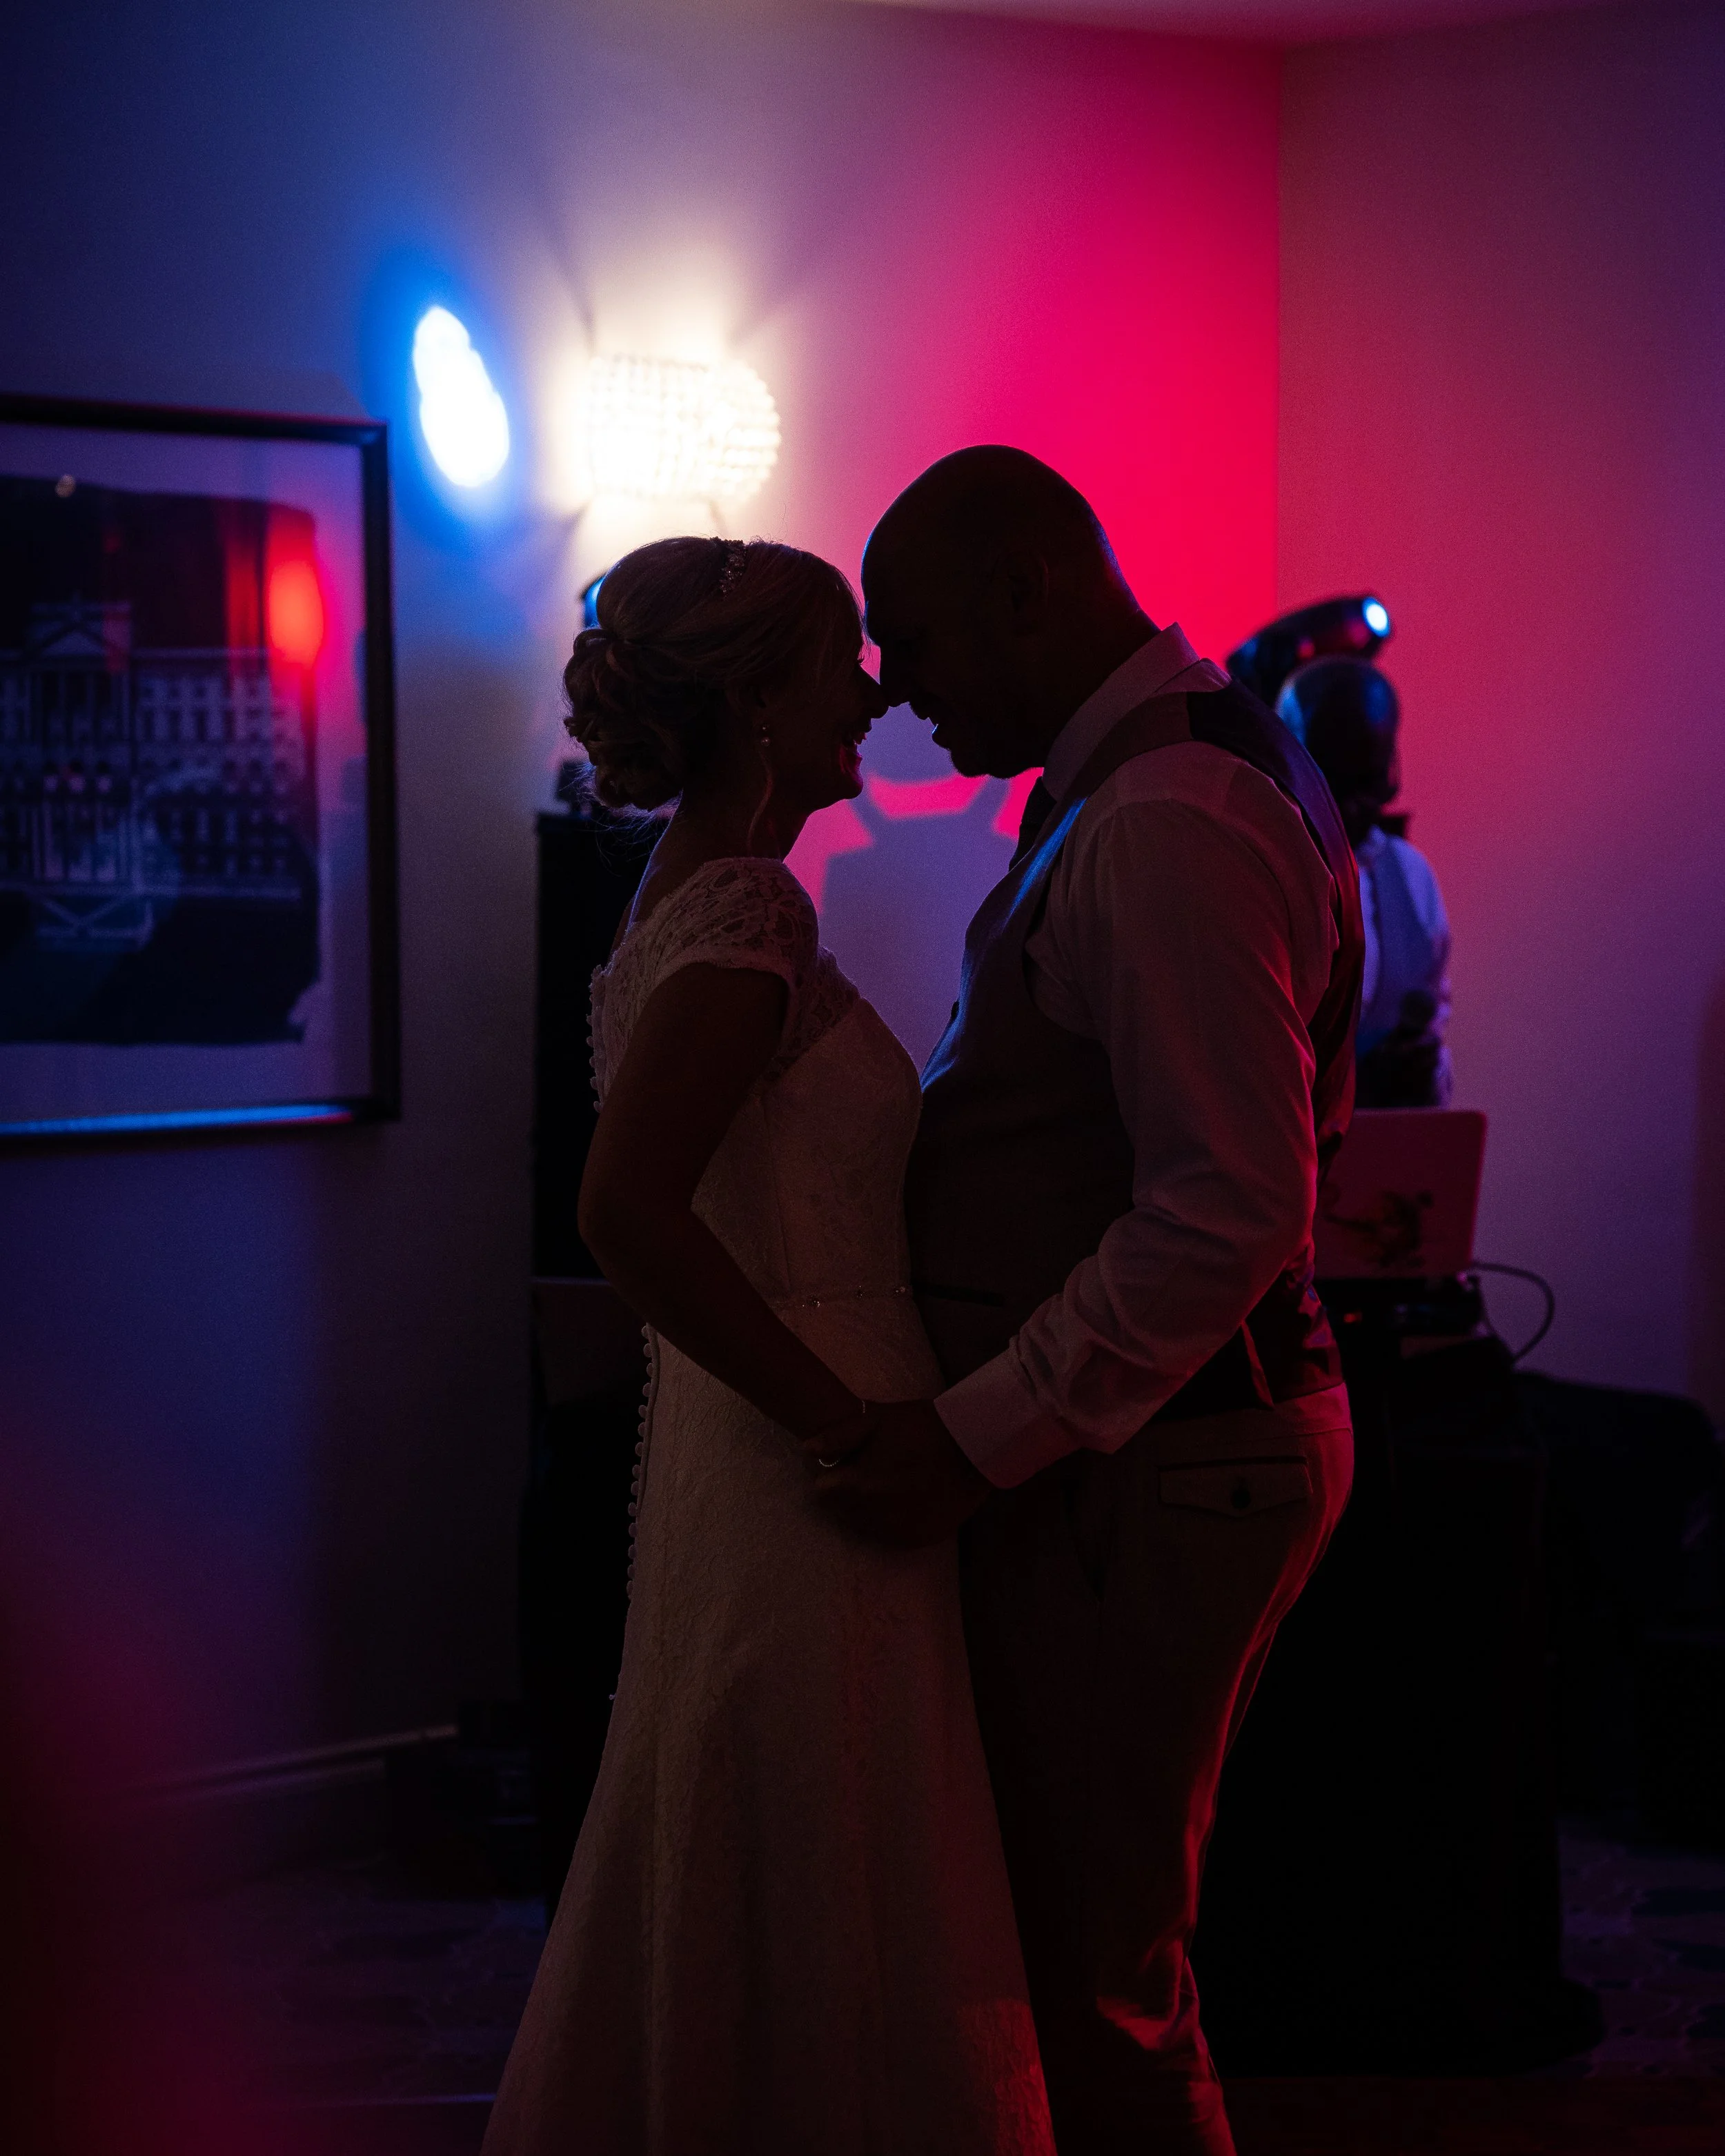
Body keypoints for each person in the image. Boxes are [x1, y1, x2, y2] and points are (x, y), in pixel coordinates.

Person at [812, 447, 1366, 2156]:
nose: (894, 695)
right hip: (1164, 1450)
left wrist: (975, 1438)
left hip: (1168, 1462)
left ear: (1025, 591)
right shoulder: (1157, 777)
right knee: (1077, 1943)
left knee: (1097, 1970)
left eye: (912, 641)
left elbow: (1225, 1208)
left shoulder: (1166, 818)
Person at [483, 536, 1055, 2156]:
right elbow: (628, 1212)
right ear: (750, 699)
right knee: (831, 1842)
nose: (871, 692)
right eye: (835, 667)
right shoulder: (739, 907)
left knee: (789, 1831)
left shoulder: (705, 889)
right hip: (808, 1447)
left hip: (757, 1436)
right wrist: (844, 1423)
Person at [1276, 656, 1452, 1107]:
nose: (1353, 808)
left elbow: (1436, 1024)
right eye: (1333, 784)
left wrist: (1424, 1070)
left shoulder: (1412, 877)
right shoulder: (1256, 878)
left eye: (1369, 782)